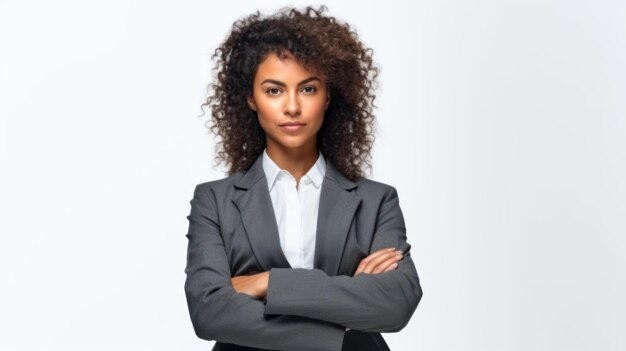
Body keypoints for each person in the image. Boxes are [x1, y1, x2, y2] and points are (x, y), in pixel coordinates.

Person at [184, 5, 423, 351]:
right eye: (274, 90)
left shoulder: (376, 201)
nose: (292, 106)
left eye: (308, 89)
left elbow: (397, 302)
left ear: (328, 96)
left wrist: (266, 283)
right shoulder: (215, 201)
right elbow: (208, 311)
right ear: (251, 98)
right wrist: (342, 317)